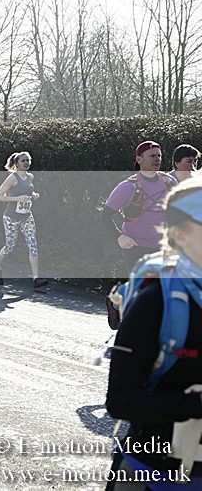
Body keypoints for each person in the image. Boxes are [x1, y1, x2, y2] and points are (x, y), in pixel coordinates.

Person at [105, 175, 202, 490]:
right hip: (152, 472)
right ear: (180, 236)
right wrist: (191, 405)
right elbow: (120, 401)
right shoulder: (158, 300)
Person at [101, 141, 177, 271]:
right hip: (136, 249)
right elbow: (105, 216)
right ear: (139, 159)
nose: (157, 159)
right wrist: (119, 236)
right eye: (152, 156)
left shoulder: (169, 182)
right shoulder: (127, 187)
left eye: (159, 156)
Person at [0, 152, 48, 287]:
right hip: (11, 218)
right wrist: (17, 199)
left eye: (28, 160)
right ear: (16, 163)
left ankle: (36, 278)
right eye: (23, 161)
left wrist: (33, 195)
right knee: (10, 246)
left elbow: (27, 191)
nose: (26, 163)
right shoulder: (12, 178)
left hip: (27, 217)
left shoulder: (30, 176)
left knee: (33, 245)